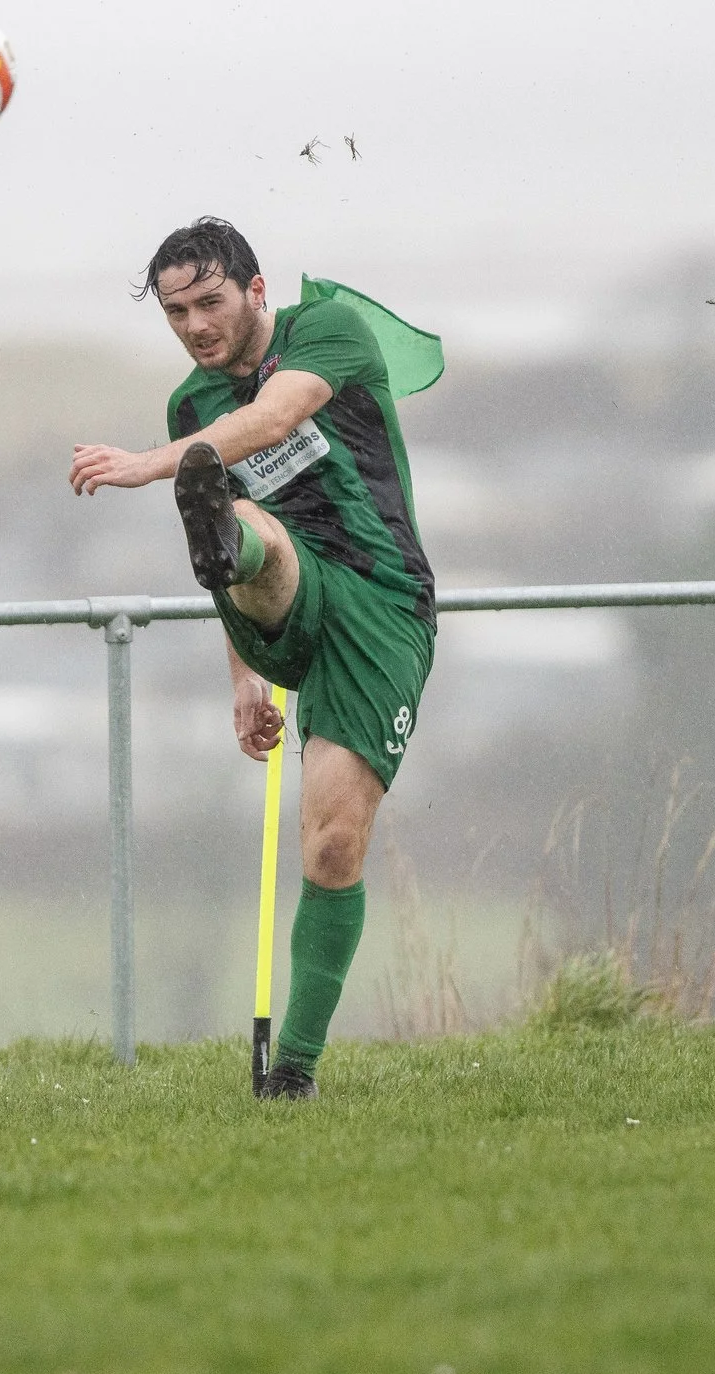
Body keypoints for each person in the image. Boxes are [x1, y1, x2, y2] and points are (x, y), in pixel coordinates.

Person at [70, 217, 436, 1100]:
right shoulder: (190, 406)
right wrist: (245, 683)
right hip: (279, 588)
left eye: (209, 302)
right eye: (175, 313)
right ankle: (232, 542)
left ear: (256, 290)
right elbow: (212, 509)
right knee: (252, 537)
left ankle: (295, 1077)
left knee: (335, 846)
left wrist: (151, 466)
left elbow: (276, 416)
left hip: (383, 600)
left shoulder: (328, 333)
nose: (194, 326)